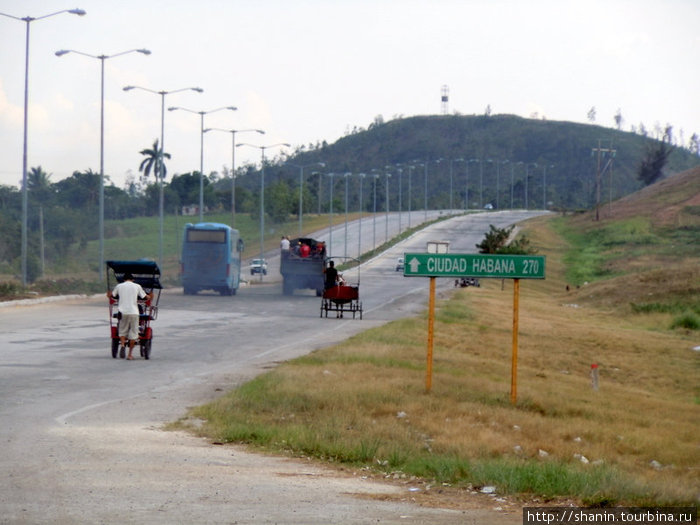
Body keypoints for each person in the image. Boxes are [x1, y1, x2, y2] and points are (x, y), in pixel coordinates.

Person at [107, 272, 152, 360]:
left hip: (123, 312)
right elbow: (145, 297)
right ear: (133, 279)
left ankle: (123, 344)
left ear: (124, 279)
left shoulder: (119, 286)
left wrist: (109, 295)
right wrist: (150, 296)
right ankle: (130, 354)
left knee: (122, 332)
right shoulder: (137, 286)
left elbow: (113, 296)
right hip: (134, 312)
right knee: (134, 335)